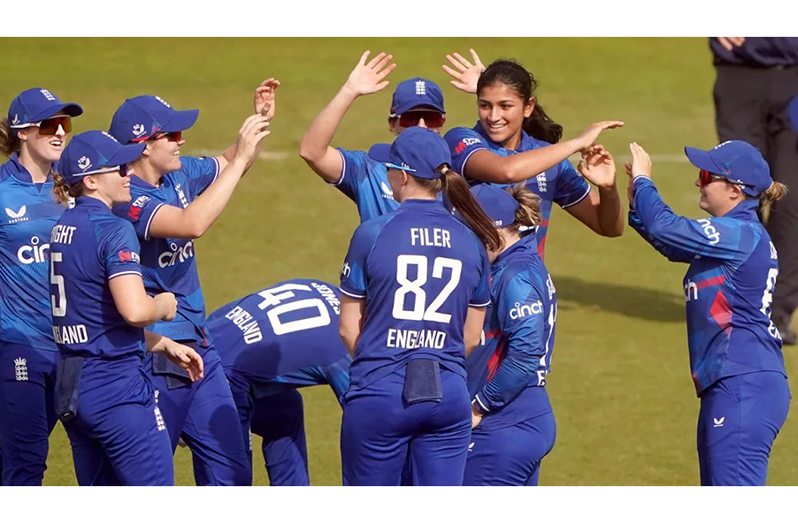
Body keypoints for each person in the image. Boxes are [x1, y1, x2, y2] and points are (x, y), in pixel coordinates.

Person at [107, 84, 276, 486]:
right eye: (173, 135)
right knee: (148, 476)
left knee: (231, 470)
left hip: (200, 346)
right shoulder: (127, 198)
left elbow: (228, 162)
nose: (182, 141)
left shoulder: (178, 174)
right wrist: (239, 163)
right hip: (157, 352)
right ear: (143, 146)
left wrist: (256, 125)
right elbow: (191, 225)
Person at [338, 127, 498, 486]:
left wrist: (381, 370)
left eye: (390, 168)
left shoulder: (373, 233)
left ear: (404, 175)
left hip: (380, 395)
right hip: (449, 397)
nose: (387, 175)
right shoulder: (473, 239)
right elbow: (472, 337)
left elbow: (349, 328)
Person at [627, 139, 791, 486]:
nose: (697, 182)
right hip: (735, 383)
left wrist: (644, 181)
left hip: (742, 383)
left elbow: (665, 226)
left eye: (706, 175)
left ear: (735, 190)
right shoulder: (734, 238)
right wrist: (630, 193)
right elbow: (669, 243)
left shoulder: (740, 234)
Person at [49, 130, 204, 486]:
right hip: (116, 388)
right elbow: (134, 311)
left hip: (73, 387)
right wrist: (164, 305)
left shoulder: (63, 227)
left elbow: (95, 316)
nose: (128, 173)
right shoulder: (115, 228)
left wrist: (163, 344)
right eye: (118, 168)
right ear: (91, 181)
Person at [442, 51, 624, 257]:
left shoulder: (549, 160)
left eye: (505, 106)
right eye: (485, 105)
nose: (493, 116)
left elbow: (609, 228)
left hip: (524, 286)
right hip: (474, 287)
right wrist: (577, 143)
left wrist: (608, 189)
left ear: (528, 107)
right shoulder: (460, 140)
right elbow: (507, 171)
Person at [0, 87, 82, 485]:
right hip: (19, 346)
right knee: (28, 462)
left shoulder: (73, 190)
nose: (60, 133)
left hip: (71, 351)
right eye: (49, 124)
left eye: (64, 124)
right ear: (22, 132)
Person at [206, 279, 351, 486]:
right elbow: (368, 424)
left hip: (204, 342)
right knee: (232, 480)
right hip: (217, 377)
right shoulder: (344, 352)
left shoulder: (323, 287)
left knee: (284, 411)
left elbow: (223, 315)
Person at [464, 184, 558, 486]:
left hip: (505, 424)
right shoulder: (513, 265)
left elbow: (525, 353)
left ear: (493, 230)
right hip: (518, 420)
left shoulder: (516, 276)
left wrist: (479, 406)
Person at [711, 37, 798, 344]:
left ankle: (778, 312)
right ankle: (745, 300)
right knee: (740, 194)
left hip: (795, 76)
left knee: (792, 203)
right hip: (739, 73)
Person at [300, 50, 447, 223]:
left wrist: (484, 86)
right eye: (410, 119)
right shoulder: (368, 170)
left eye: (431, 118)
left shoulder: (462, 168)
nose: (421, 126)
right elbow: (312, 152)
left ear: (442, 122)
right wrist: (349, 91)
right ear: (392, 124)